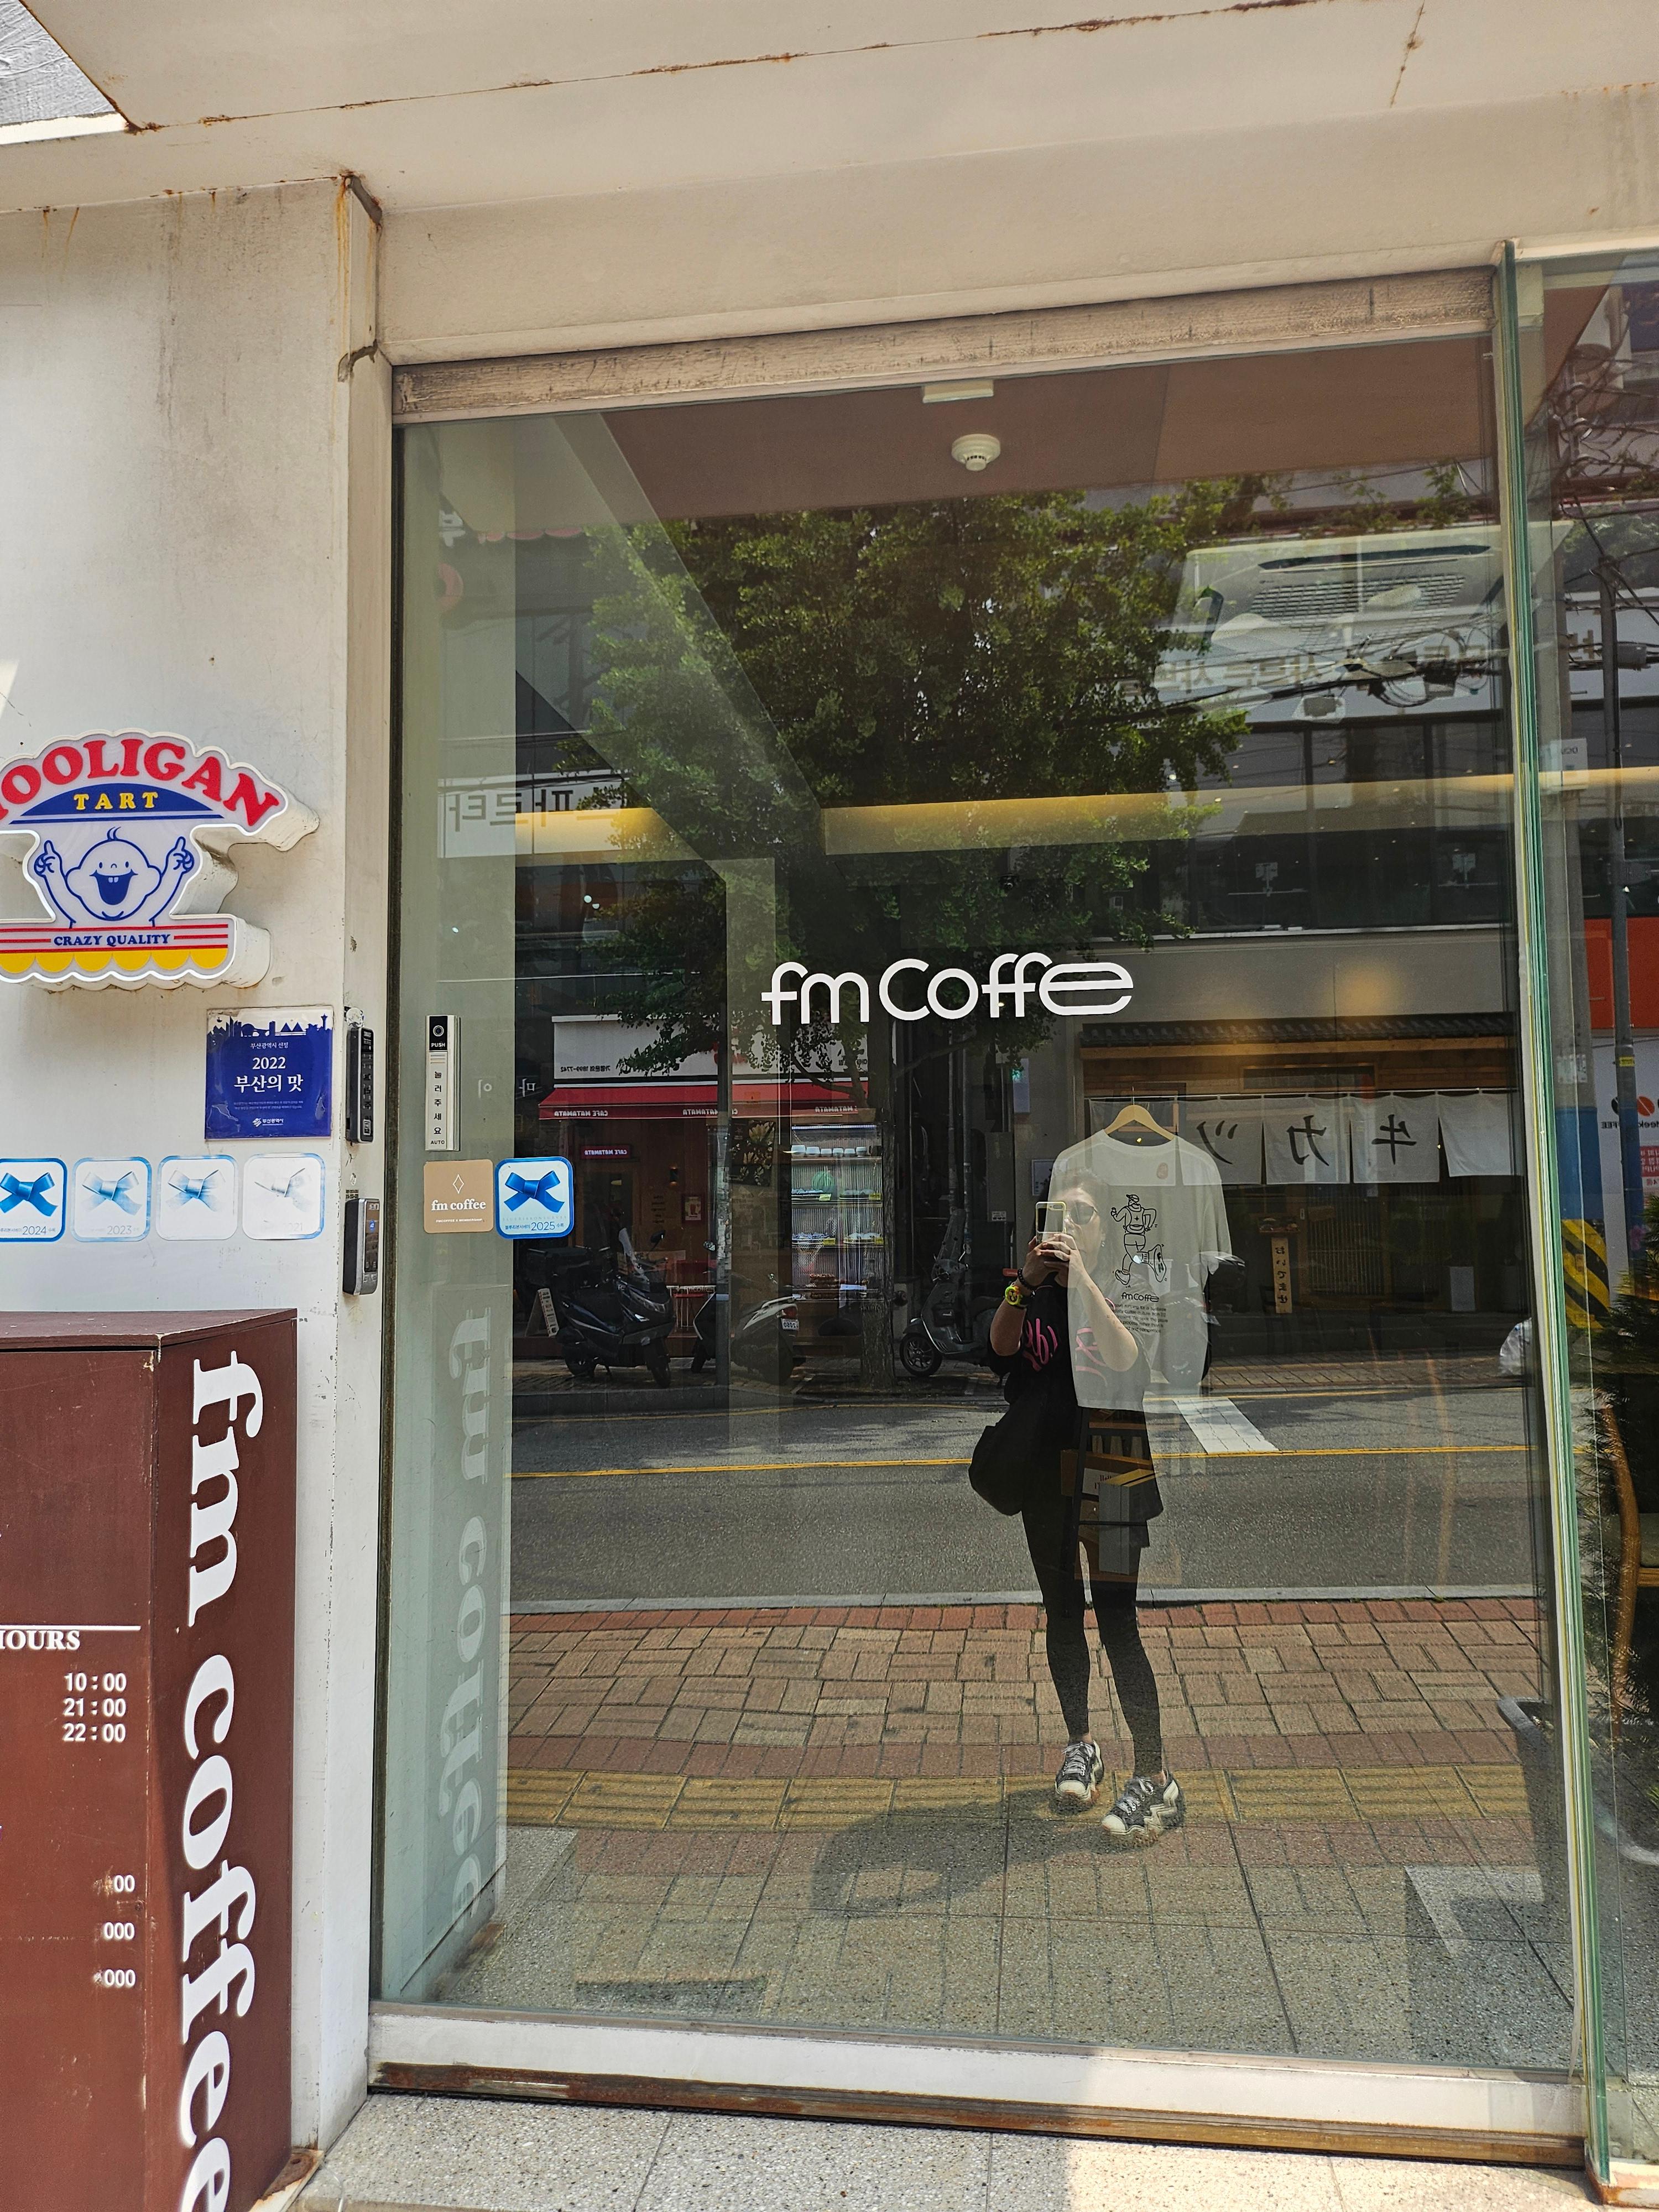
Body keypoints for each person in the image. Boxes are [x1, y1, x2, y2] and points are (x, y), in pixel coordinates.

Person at [986, 1172, 1184, 1844]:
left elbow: (1131, 1363)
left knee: (1119, 1620)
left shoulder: (1127, 1285)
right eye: (1059, 1211)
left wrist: (1082, 1285)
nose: (1071, 1223)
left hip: (1116, 1468)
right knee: (1063, 1610)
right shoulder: (1032, 1290)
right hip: (1046, 1471)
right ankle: (1082, 1745)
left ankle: (1156, 1778)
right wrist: (1024, 1283)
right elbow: (1000, 1350)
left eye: (1085, 1213)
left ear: (1105, 1227)